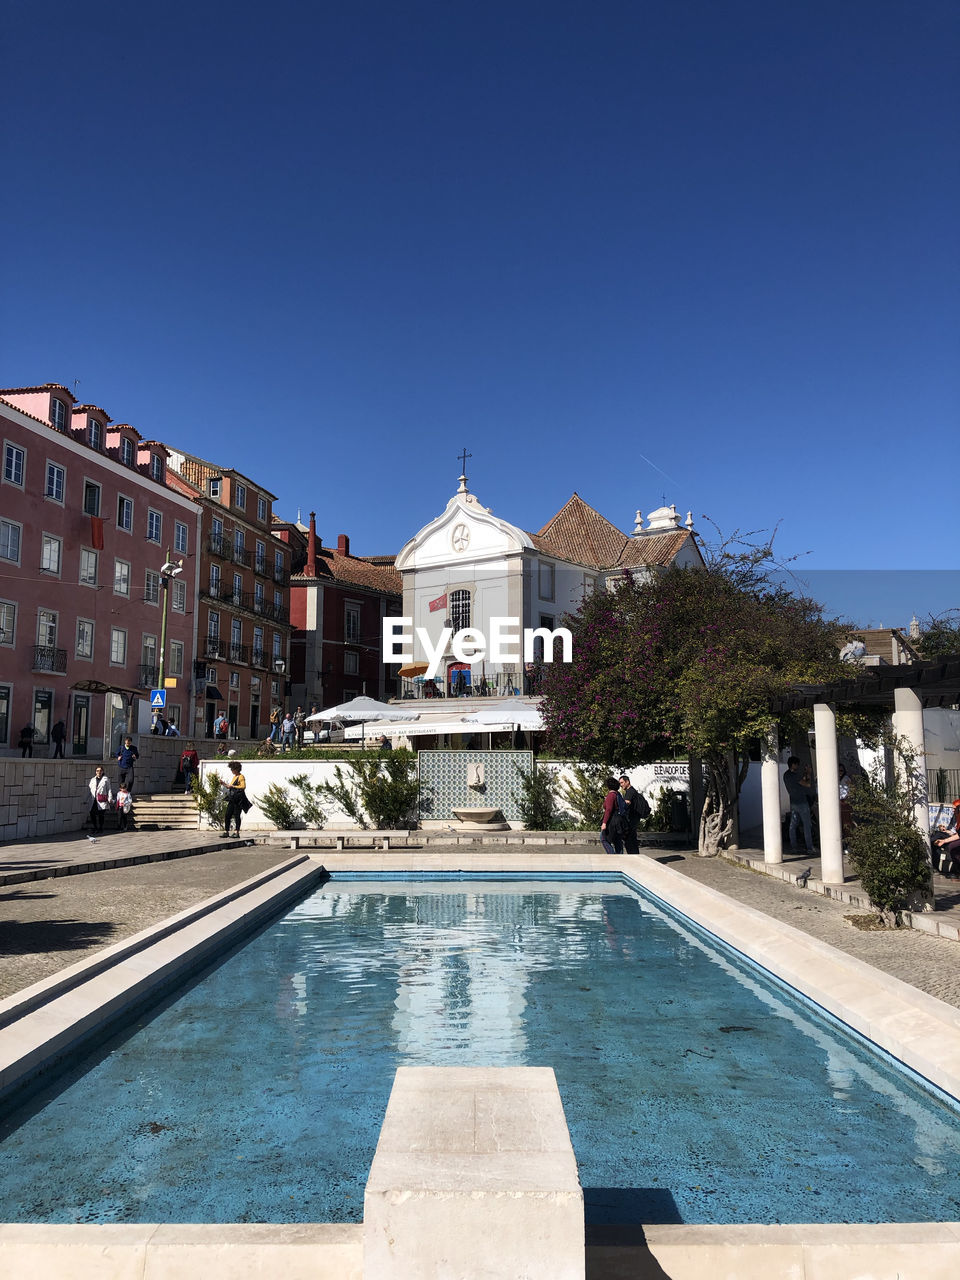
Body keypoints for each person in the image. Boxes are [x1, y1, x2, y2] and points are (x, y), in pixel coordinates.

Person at [783, 756, 816, 853]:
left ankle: (794, 846)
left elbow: (801, 781)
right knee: (807, 825)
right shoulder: (794, 775)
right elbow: (807, 784)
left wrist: (805, 774)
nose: (798, 766)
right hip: (802, 802)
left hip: (793, 802)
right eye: (797, 764)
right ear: (793, 764)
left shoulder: (786, 775)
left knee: (793, 825)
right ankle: (810, 848)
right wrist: (809, 773)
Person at [619, 774, 650, 856]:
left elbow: (627, 802)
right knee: (632, 838)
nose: (621, 785)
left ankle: (633, 856)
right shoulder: (633, 791)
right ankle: (635, 856)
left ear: (627, 782)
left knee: (629, 838)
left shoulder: (630, 791)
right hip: (635, 818)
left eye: (622, 783)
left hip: (631, 819)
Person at [223, 760, 250, 837]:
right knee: (227, 814)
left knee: (237, 815)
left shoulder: (241, 777)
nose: (231, 771)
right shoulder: (234, 777)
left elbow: (243, 786)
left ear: (236, 769)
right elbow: (230, 787)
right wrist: (224, 784)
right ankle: (226, 831)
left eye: (232, 769)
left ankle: (236, 832)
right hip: (232, 798)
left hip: (238, 799)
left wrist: (233, 786)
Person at [600, 776, 625, 855]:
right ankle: (620, 857)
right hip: (619, 820)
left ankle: (612, 855)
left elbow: (608, 810)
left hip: (612, 820)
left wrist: (604, 823)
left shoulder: (611, 795)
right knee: (617, 840)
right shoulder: (618, 794)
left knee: (604, 838)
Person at [88, 766, 113, 833]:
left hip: (101, 799)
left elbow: (109, 789)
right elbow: (90, 789)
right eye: (97, 771)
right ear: (95, 772)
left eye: (100, 771)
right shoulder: (92, 779)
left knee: (101, 814)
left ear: (102, 771)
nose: (98, 772)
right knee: (92, 813)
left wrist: (110, 798)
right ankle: (95, 827)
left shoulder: (105, 779)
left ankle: (100, 828)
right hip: (94, 799)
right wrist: (86, 799)